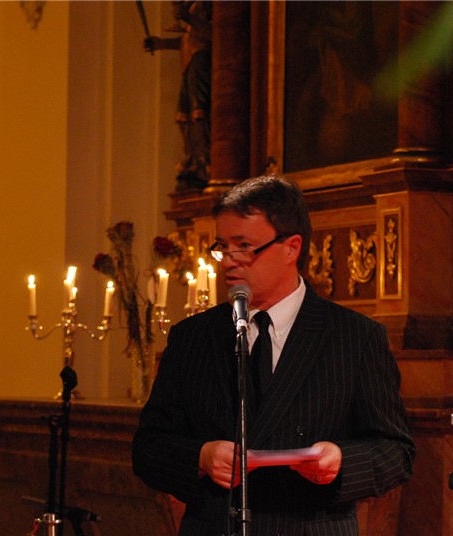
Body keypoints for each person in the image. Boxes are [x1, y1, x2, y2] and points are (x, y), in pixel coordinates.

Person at [132, 175, 415, 535]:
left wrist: (342, 461)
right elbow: (148, 448)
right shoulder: (193, 337)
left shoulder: (355, 337)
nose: (228, 262)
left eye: (244, 247)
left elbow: (396, 452)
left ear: (291, 247)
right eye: (222, 247)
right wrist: (201, 457)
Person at [144, 1, 212, 191]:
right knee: (184, 118)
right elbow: (189, 38)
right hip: (190, 64)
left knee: (199, 115)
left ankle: (205, 164)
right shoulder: (193, 5)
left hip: (201, 62)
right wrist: (161, 43)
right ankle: (194, 161)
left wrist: (188, 17)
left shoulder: (210, 4)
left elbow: (218, 36)